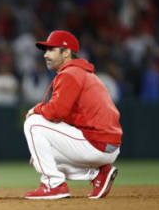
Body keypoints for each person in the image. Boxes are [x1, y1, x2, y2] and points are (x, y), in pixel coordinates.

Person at [24, 30, 123, 200]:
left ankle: (53, 185)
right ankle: (97, 174)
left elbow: (56, 112)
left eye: (51, 50)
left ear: (66, 52)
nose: (45, 55)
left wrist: (37, 109)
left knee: (33, 122)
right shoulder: (81, 73)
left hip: (96, 143)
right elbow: (67, 115)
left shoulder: (70, 74)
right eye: (45, 51)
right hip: (106, 145)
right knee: (40, 156)